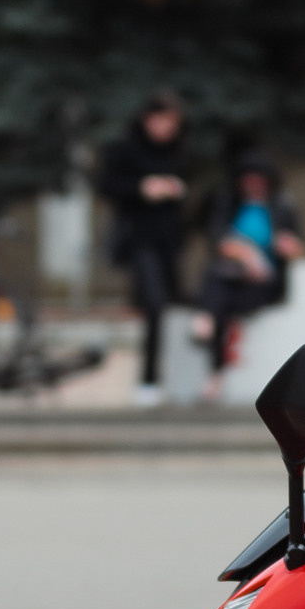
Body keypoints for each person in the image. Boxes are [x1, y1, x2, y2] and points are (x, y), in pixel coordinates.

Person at [97, 90, 190, 405]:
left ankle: (175, 380)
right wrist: (141, 188)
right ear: (149, 119)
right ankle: (148, 380)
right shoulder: (125, 148)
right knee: (153, 304)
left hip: (169, 242)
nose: (168, 129)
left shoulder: (176, 150)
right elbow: (106, 185)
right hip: (139, 239)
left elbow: (186, 187)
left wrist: (176, 189)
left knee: (173, 305)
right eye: (164, 121)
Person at [190, 155, 303, 402]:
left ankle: (206, 319)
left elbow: (297, 245)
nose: (252, 184)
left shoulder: (282, 205)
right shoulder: (228, 203)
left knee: (219, 302)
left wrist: (286, 247)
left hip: (265, 283)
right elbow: (219, 241)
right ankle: (214, 349)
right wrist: (248, 256)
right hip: (231, 276)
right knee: (220, 290)